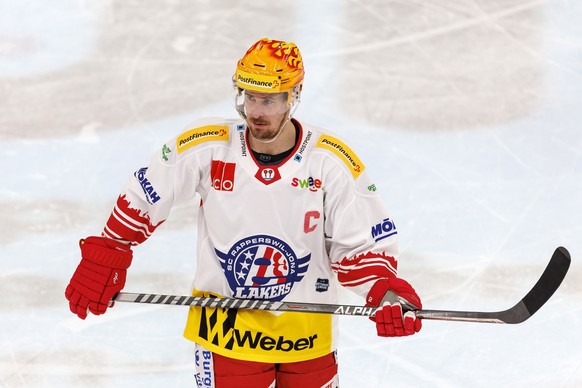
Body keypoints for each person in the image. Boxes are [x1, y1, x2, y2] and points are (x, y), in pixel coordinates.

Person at [65, 37, 423, 388]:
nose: (255, 111)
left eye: (267, 100)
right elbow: (146, 196)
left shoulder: (331, 161)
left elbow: (359, 247)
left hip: (307, 334)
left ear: (293, 96)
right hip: (225, 331)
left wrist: (386, 292)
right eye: (249, 96)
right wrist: (108, 251)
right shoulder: (207, 145)